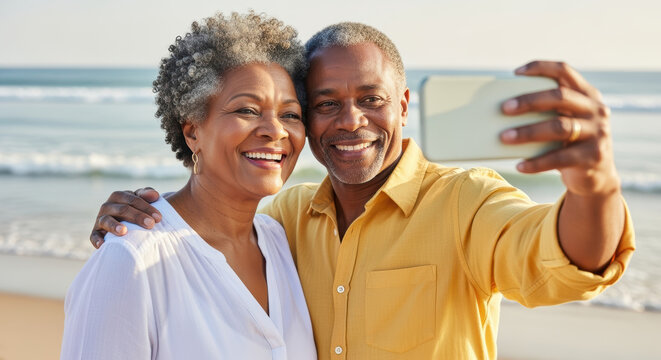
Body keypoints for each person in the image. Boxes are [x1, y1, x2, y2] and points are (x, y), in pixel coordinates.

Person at [89, 22, 635, 359]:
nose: (350, 121)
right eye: (325, 103)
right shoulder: (286, 220)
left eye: (371, 99)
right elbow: (209, 225)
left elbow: (568, 261)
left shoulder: (466, 202)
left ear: (401, 104)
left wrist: (595, 185)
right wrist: (138, 225)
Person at [61, 12, 317, 359]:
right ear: (192, 131)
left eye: (290, 114)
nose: (275, 130)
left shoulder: (281, 240)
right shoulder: (130, 258)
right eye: (246, 109)